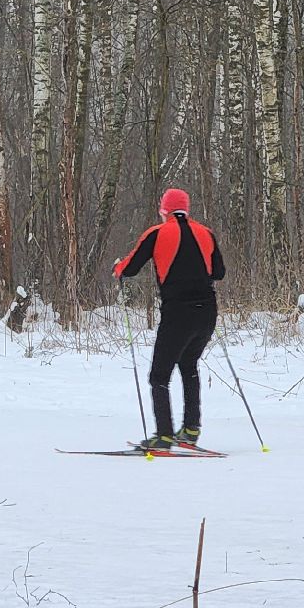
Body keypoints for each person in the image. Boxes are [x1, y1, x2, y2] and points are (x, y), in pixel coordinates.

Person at [113, 188, 226, 450]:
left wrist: (118, 269)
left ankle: (163, 436)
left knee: (159, 376)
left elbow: (130, 268)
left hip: (178, 313)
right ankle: (190, 429)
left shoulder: (157, 233)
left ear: (164, 210)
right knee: (189, 366)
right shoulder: (206, 233)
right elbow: (219, 273)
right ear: (186, 209)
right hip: (207, 311)